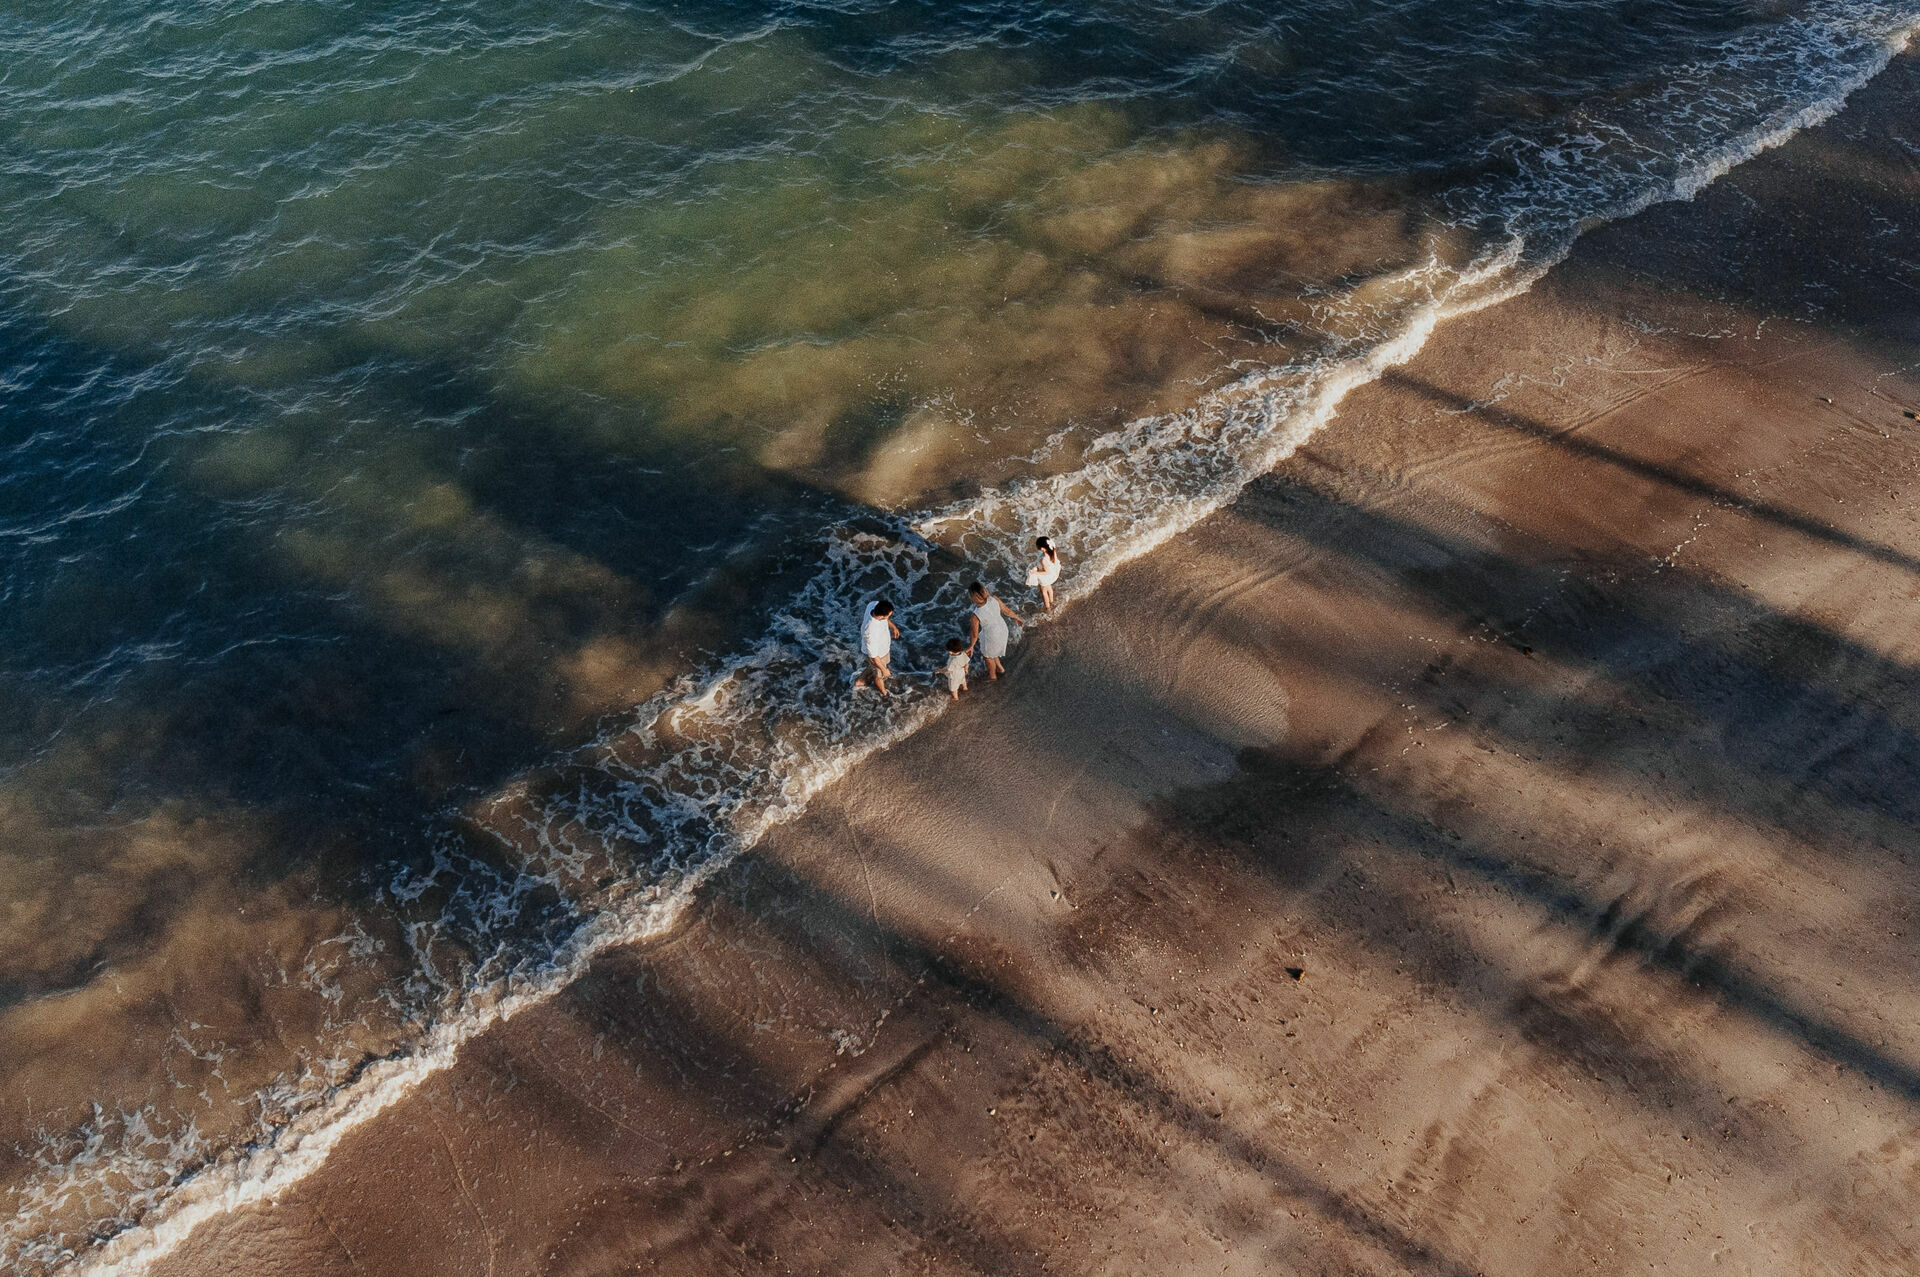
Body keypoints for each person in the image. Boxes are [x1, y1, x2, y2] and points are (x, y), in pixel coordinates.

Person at [965, 581, 1024, 681]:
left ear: (972, 597)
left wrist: (971, 646)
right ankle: (1000, 669)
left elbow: (974, 634)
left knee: (988, 657)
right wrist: (1017, 618)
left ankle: (992, 677)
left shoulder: (976, 615)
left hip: (992, 635)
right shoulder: (994, 599)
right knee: (993, 652)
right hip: (1002, 630)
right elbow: (1006, 611)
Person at [858, 599, 900, 696]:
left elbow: (886, 619)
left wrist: (893, 627)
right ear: (881, 616)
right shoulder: (870, 632)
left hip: (883, 647)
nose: (889, 617)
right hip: (878, 654)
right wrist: (884, 670)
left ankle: (861, 680)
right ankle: (884, 693)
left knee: (876, 669)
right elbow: (874, 657)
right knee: (879, 675)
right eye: (889, 615)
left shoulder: (874, 605)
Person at [1025, 536, 1061, 613]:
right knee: (1049, 588)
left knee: (1044, 592)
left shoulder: (1044, 560)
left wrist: (1035, 572)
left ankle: (1048, 608)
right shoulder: (1052, 549)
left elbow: (1047, 572)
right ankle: (1052, 601)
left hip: (1046, 577)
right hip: (1053, 572)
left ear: (1042, 548)